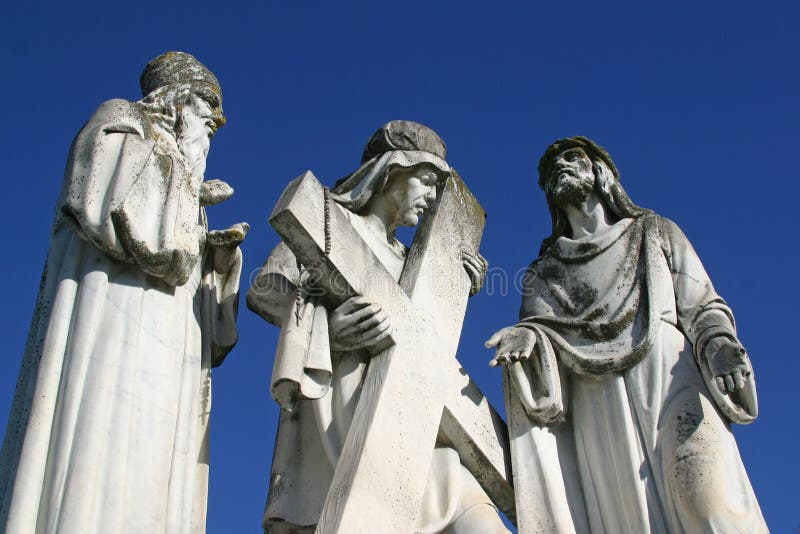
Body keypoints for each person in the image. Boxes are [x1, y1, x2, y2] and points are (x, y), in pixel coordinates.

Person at [0, 51, 247, 533]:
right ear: (176, 103)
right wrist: (187, 198)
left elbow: (198, 301)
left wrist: (216, 257)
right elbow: (109, 207)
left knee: (154, 459)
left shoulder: (182, 184)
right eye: (206, 118)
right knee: (104, 441)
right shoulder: (120, 127)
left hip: (169, 343)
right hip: (113, 319)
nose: (209, 134)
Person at [486, 136, 767, 533]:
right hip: (596, 401)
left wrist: (719, 344)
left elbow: (702, 304)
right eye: (550, 168)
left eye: (573, 157)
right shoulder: (543, 274)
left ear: (601, 172)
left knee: (710, 503)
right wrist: (528, 339)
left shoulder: (655, 232)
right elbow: (540, 331)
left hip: (669, 379)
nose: (560, 167)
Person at [248, 120, 507, 534]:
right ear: (389, 172)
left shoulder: (413, 263)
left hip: (408, 419)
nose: (430, 199)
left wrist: (453, 282)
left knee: (474, 512)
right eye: (424, 181)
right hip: (340, 411)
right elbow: (268, 291)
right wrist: (327, 333)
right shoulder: (329, 225)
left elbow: (423, 337)